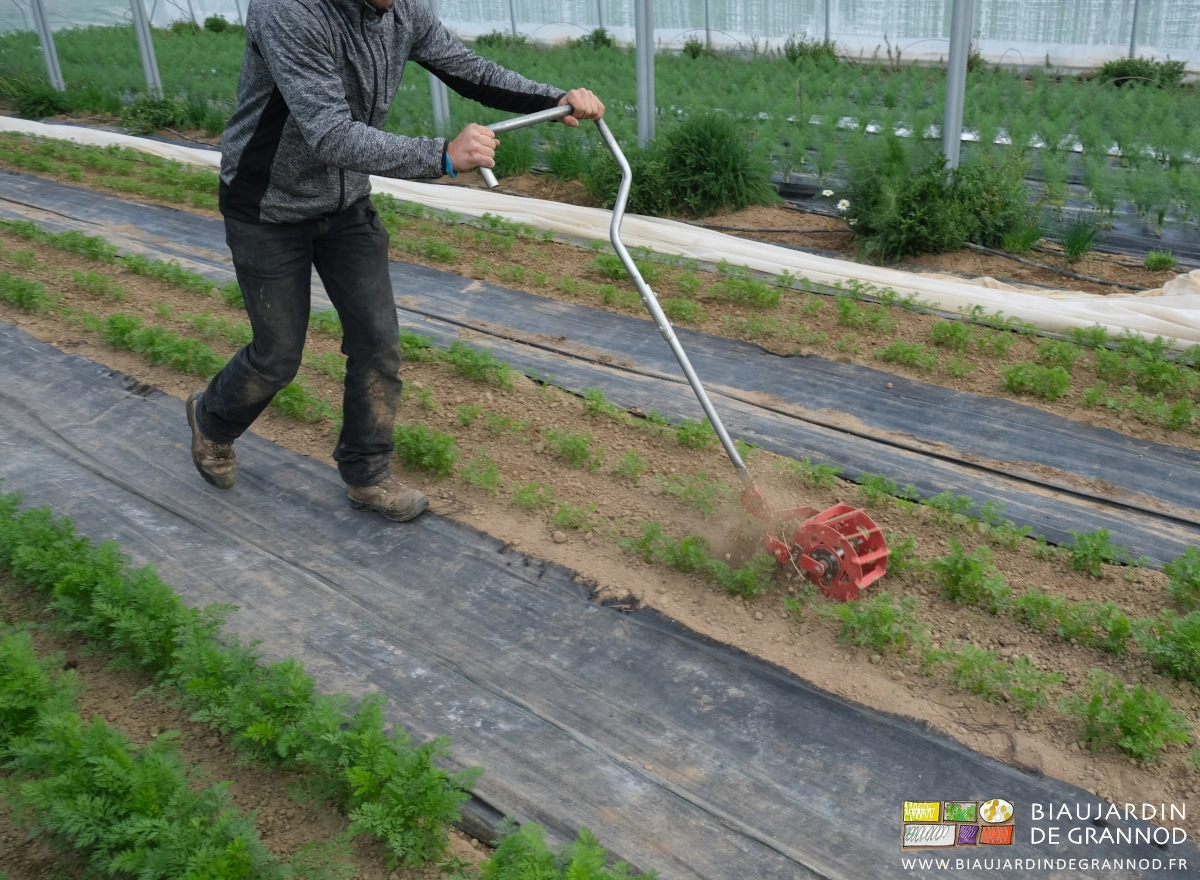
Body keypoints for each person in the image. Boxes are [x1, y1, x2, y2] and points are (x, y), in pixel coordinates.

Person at [186, 0, 604, 523]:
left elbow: (468, 69)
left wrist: (555, 98)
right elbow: (329, 133)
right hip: (267, 206)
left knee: (377, 342)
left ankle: (367, 475)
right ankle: (212, 420)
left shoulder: (403, 9)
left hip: (344, 206)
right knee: (277, 357)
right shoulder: (289, 12)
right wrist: (442, 157)